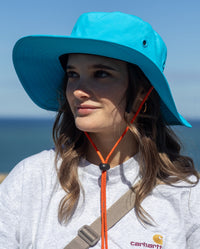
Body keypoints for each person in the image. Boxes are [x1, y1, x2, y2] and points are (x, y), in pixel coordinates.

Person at [0, 11, 199, 249]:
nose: (78, 90)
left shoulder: (186, 195)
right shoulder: (30, 180)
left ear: (141, 93)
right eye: (73, 74)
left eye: (101, 74)